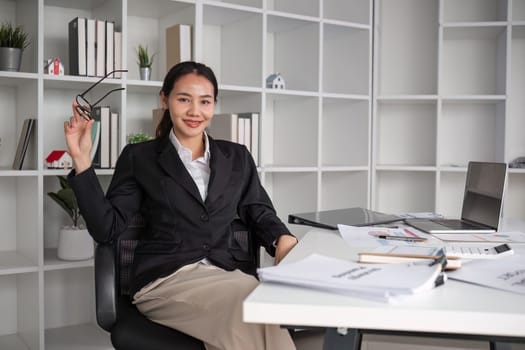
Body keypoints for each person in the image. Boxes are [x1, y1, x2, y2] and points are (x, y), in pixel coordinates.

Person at [64, 61, 298, 350]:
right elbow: (106, 229)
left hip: (224, 275)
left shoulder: (237, 157)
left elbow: (258, 210)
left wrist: (281, 238)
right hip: (165, 281)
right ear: (165, 99)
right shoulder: (140, 157)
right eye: (184, 99)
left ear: (214, 105)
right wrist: (82, 160)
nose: (195, 111)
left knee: (257, 307)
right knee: (249, 304)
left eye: (205, 101)